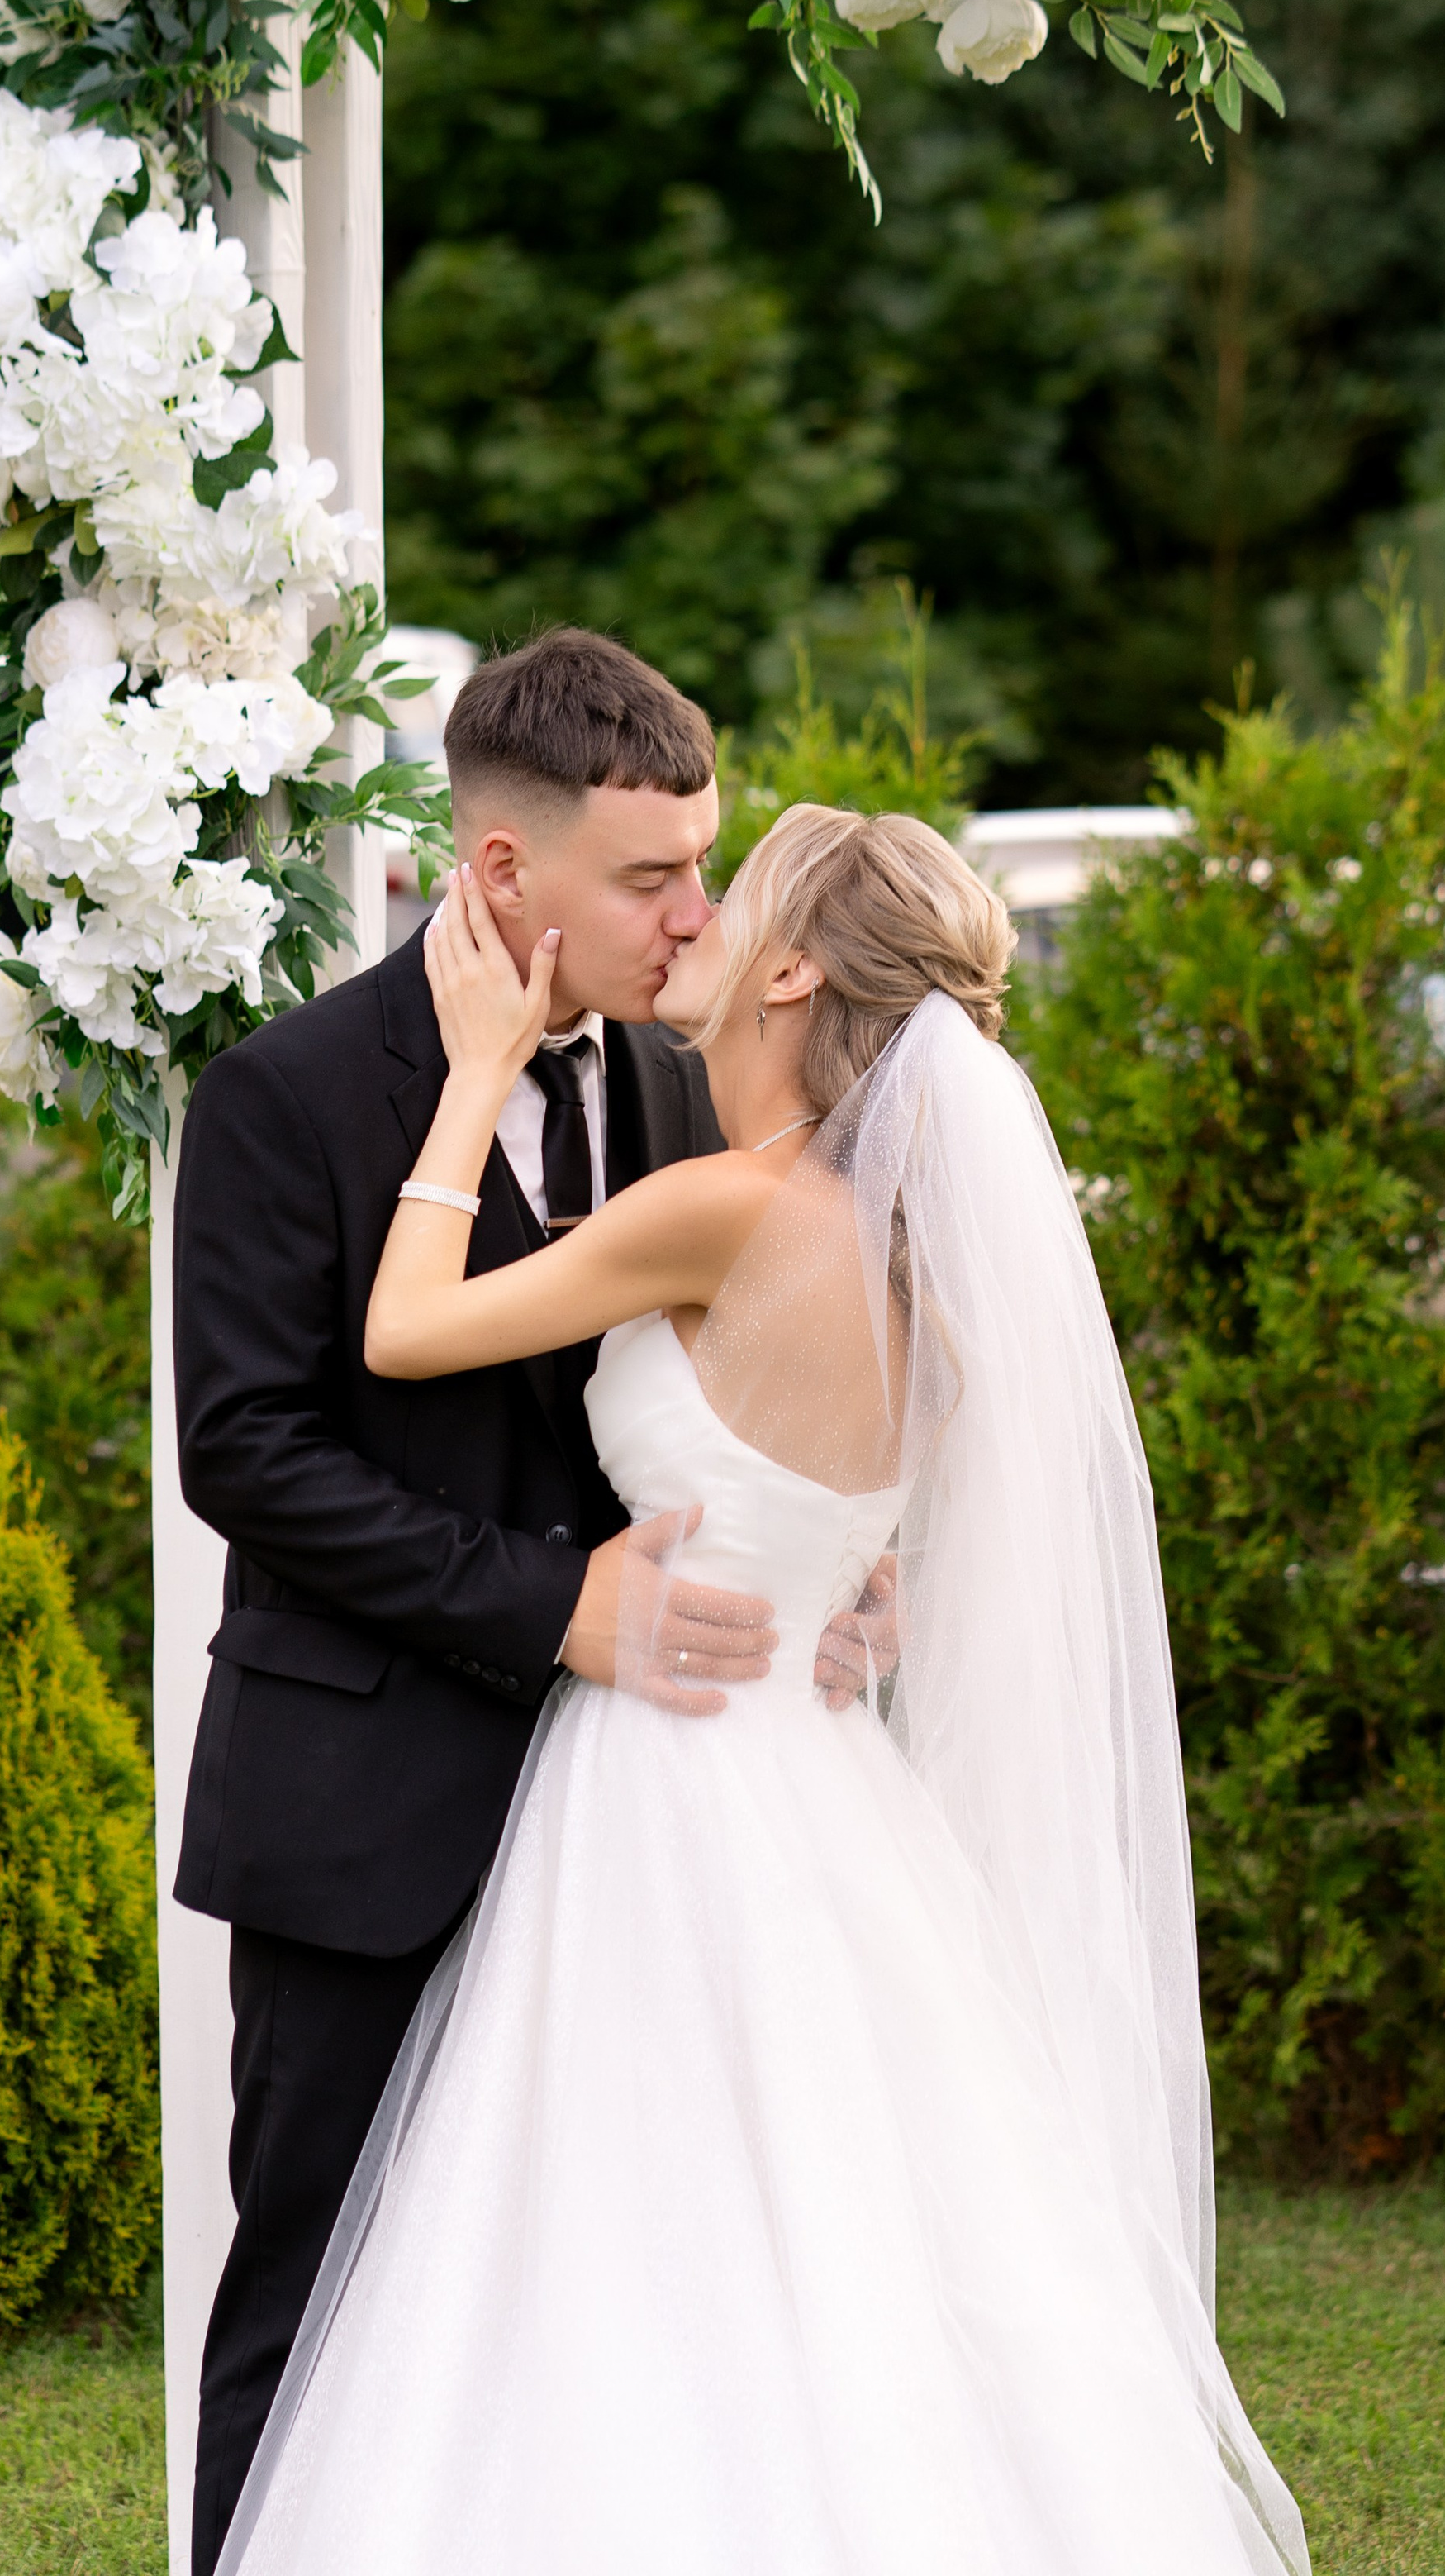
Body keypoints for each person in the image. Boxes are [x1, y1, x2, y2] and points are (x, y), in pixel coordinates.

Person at [215, 802, 1309, 2576]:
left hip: (659, 1786)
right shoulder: (915, 1276)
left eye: (738, 893)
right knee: (830, 2251)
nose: (696, 915)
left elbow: (405, 1328)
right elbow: (886, 1537)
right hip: (819, 1795)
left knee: (609, 2250)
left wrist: (476, 1068)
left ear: (792, 970)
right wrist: (851, 1592)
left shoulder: (722, 1206)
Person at [171, 632, 888, 2575]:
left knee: (608, 2325)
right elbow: (243, 1449)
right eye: (651, 879)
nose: (694, 916)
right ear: (502, 876)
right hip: (362, 1812)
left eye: (705, 865)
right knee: (315, 2315)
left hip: (648, 1840)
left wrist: (805, 1579)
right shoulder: (285, 1092)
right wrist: (547, 1607)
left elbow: (719, 1414)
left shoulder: (696, 1094)